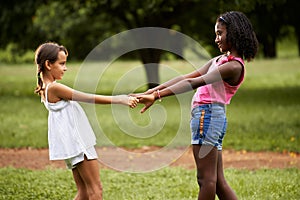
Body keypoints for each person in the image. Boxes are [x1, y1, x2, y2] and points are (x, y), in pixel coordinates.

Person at [136, 11, 258, 199]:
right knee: (217, 182)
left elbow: (195, 82)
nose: (216, 38)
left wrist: (158, 95)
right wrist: (151, 93)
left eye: (220, 33)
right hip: (210, 118)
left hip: (207, 118)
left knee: (206, 179)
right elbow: (185, 77)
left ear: (233, 34)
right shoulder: (219, 61)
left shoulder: (233, 66)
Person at [34, 42, 139, 200]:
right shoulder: (55, 88)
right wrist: (120, 99)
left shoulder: (45, 87)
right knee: (96, 191)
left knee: (83, 192)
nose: (65, 68)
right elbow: (89, 98)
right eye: (62, 63)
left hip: (71, 143)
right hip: (78, 143)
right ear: (48, 64)